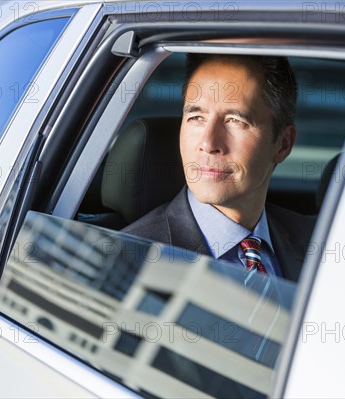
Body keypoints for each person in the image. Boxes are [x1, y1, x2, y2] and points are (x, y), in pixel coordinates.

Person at [122, 54, 315, 281]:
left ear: (283, 144)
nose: (208, 143)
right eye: (196, 117)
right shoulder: (129, 260)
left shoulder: (323, 240)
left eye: (235, 121)